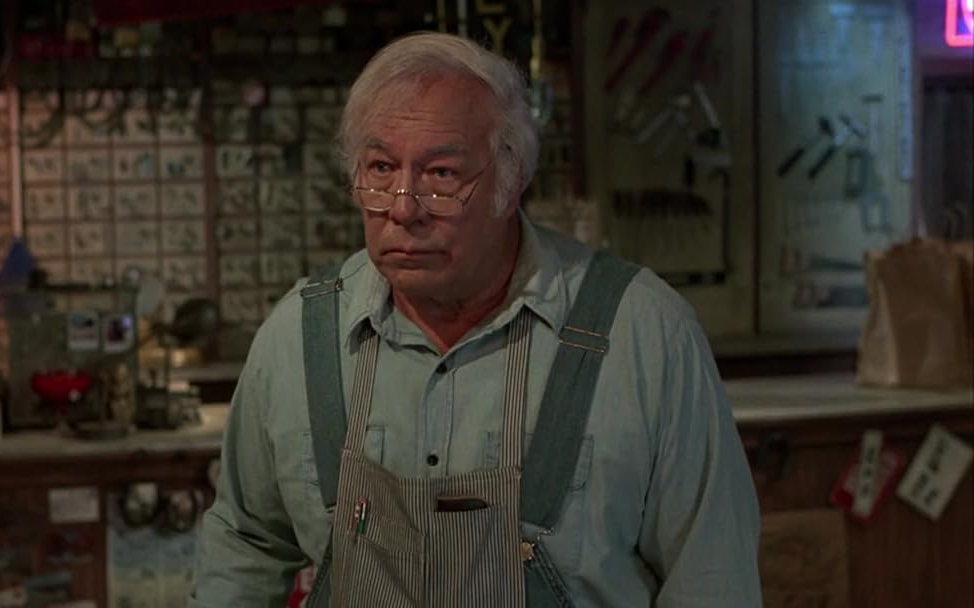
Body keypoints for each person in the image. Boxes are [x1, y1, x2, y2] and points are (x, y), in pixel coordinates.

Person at [190, 31, 761, 607]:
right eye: (381, 168)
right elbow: (244, 547)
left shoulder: (642, 334)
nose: (404, 208)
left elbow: (712, 579)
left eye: (441, 174)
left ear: (511, 183)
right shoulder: (298, 337)